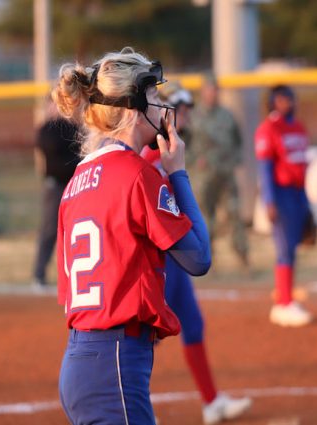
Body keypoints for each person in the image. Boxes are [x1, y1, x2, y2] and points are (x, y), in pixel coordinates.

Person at [53, 47, 211, 425]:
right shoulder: (137, 174)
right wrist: (178, 173)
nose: (160, 102)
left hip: (80, 358)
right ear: (132, 105)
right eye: (153, 95)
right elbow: (198, 257)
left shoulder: (75, 183)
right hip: (115, 361)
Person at [143, 82, 252, 424]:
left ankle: (211, 402)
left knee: (192, 323)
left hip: (175, 256)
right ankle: (137, 409)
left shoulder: (172, 148)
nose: (187, 115)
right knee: (150, 337)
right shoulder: (152, 154)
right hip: (162, 257)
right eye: (181, 108)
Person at [254, 85, 314, 327]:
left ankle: (287, 297)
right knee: (284, 248)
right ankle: (283, 304)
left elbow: (300, 166)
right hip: (281, 193)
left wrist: (306, 201)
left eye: (290, 98)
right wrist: (269, 201)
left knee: (293, 249)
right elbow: (266, 169)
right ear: (272, 102)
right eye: (281, 99)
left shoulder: (298, 127)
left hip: (298, 193)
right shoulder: (268, 129)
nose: (287, 102)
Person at [191, 73, 249, 267]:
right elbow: (185, 145)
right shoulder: (193, 117)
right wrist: (193, 162)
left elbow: (237, 142)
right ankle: (208, 261)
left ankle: (243, 257)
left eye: (215, 90)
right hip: (204, 177)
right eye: (209, 90)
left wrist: (236, 164)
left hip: (225, 174)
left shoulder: (227, 115)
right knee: (206, 219)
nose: (212, 94)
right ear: (203, 92)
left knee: (234, 214)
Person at [32, 100, 80, 289]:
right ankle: (39, 275)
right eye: (54, 104)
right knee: (50, 230)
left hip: (74, 185)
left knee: (75, 230)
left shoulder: (74, 127)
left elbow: (82, 150)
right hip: (55, 187)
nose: (58, 108)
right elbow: (52, 148)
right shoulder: (47, 129)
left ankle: (73, 276)